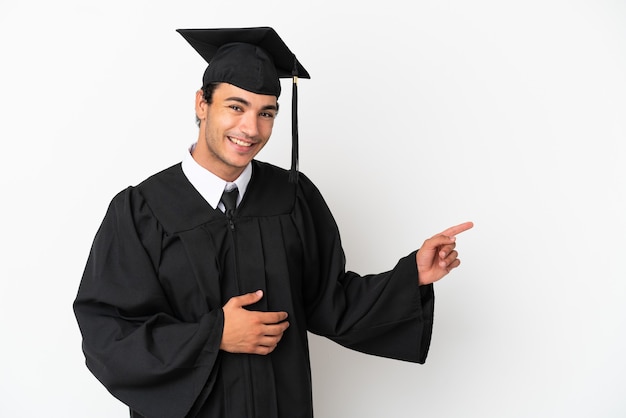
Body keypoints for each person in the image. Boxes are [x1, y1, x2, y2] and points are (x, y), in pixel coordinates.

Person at [73, 26, 473, 418]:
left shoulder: (292, 197)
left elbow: (331, 301)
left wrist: (412, 277)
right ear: (201, 103)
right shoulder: (142, 210)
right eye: (235, 106)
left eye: (266, 113)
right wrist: (214, 336)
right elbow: (109, 334)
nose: (251, 128)